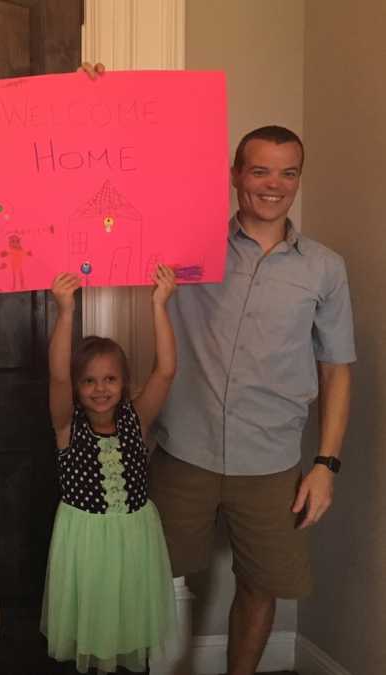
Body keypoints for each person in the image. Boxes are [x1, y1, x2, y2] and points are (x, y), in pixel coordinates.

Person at [150, 126, 355, 675]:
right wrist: (91, 98)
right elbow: (118, 196)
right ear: (236, 175)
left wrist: (325, 465)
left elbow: (336, 371)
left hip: (271, 462)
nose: (274, 185)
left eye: (288, 173)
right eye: (260, 170)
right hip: (183, 451)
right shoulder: (187, 246)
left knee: (261, 587)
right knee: (147, 577)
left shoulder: (324, 269)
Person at [41, 267, 178, 673]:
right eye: (88, 381)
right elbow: (57, 373)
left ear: (123, 382)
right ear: (77, 387)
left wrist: (159, 304)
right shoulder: (66, 424)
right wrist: (65, 311)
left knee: (131, 622)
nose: (100, 388)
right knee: (96, 625)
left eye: (110, 379)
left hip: (136, 538)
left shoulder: (138, 417)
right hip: (85, 540)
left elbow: (166, 371)